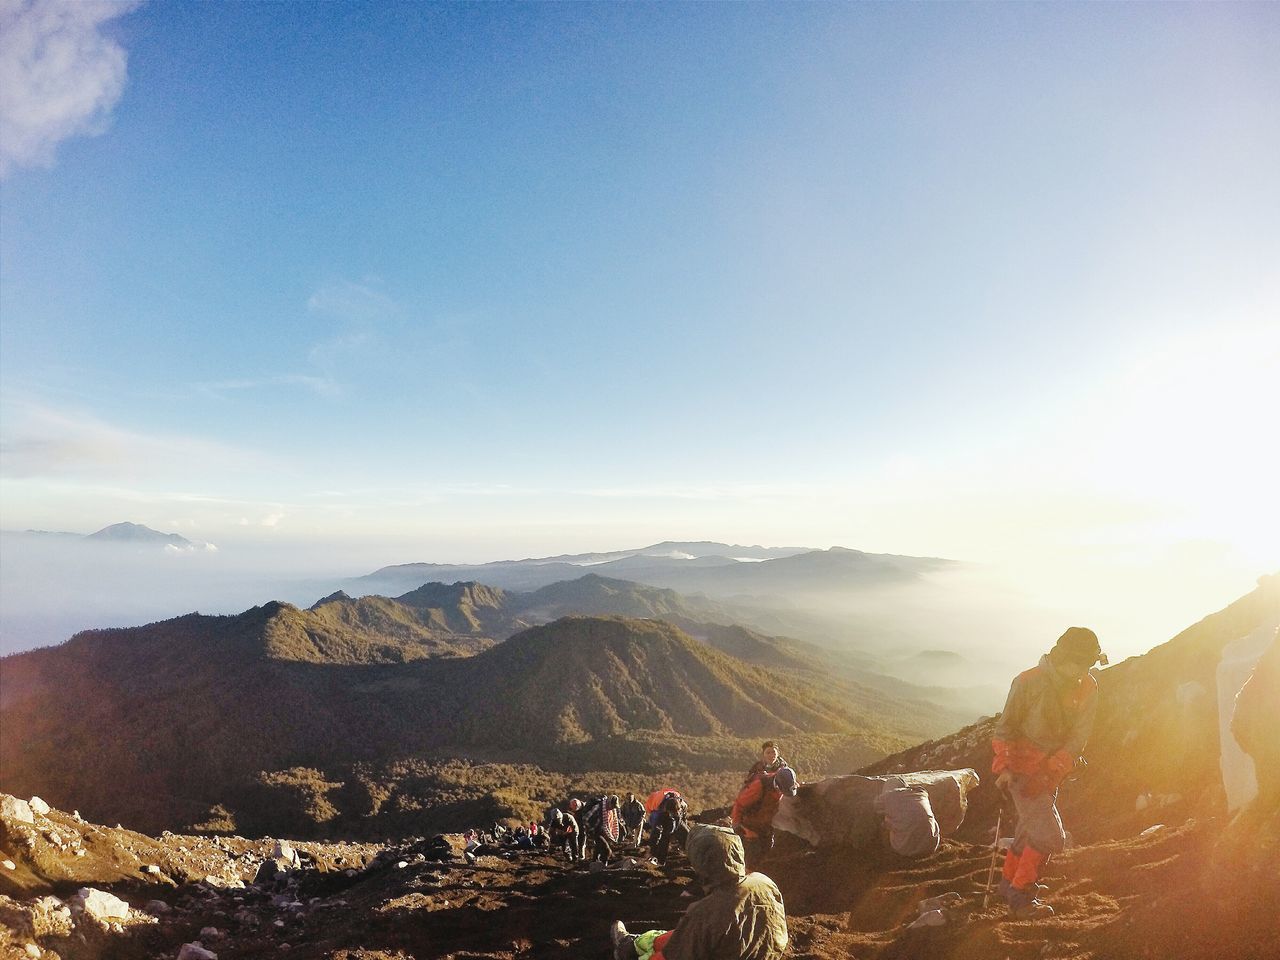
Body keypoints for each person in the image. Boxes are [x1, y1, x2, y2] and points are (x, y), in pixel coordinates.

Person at [992, 626, 1106, 920]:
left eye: (1087, 664)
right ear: (1062, 656)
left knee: (1030, 828)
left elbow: (1079, 737)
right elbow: (1005, 729)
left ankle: (1007, 885)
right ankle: (1022, 895)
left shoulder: (1088, 686)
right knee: (1050, 837)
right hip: (1022, 772)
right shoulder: (1028, 682)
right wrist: (1003, 767)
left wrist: (1056, 767)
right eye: (1078, 663)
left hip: (1051, 774)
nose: (1082, 670)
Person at [610, 823, 788, 960]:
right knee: (678, 934)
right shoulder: (764, 882)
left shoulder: (707, 911)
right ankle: (632, 944)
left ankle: (628, 948)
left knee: (680, 939)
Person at [731, 765, 798, 870]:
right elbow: (740, 804)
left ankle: (757, 871)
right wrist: (737, 826)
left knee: (767, 847)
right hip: (750, 824)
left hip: (764, 824)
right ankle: (746, 876)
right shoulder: (759, 786)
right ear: (777, 784)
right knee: (752, 853)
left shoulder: (785, 783)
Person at [873, 776, 940, 858]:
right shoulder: (921, 794)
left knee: (885, 822)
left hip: (906, 849)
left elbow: (875, 807)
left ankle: (889, 854)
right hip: (931, 845)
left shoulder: (887, 797)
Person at [646, 788, 688, 866]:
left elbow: (682, 819)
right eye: (670, 813)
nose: (671, 814)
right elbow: (656, 829)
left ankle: (690, 856)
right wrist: (652, 848)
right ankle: (660, 861)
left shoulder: (682, 806)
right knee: (663, 840)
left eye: (673, 813)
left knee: (687, 836)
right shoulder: (659, 812)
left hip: (677, 817)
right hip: (662, 818)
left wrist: (677, 833)